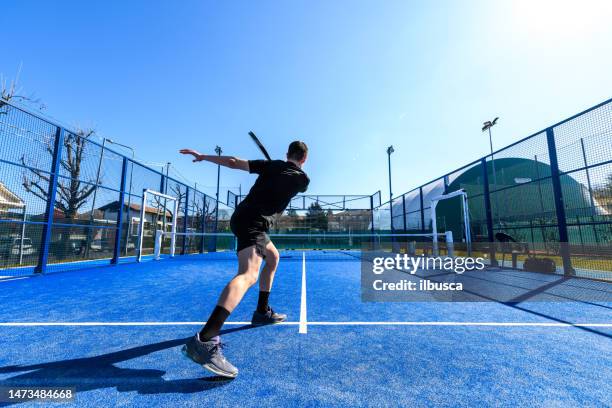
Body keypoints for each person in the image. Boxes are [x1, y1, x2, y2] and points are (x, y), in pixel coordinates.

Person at [178, 141, 309, 378]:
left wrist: (204, 156)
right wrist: (284, 169)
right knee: (248, 274)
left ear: (287, 154)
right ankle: (205, 340)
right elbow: (297, 184)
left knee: (273, 258)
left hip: (246, 218)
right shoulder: (302, 178)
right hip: (254, 222)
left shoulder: (272, 166)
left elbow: (233, 162)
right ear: (304, 159)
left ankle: (261, 312)